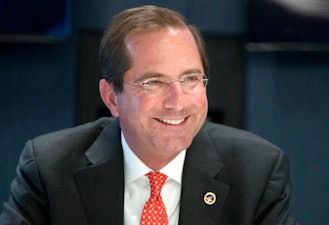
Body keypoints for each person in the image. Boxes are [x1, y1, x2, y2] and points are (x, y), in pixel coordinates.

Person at [0, 5, 299, 225]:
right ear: (111, 98)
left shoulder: (256, 172)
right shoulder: (49, 168)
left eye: (191, 79)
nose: (177, 102)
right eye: (153, 82)